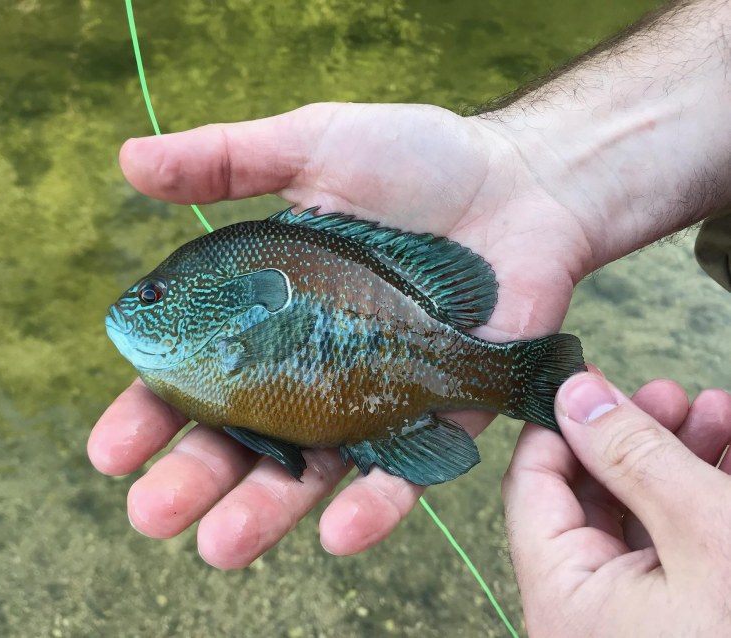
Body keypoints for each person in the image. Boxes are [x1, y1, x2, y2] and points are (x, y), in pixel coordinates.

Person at [88, 0, 731, 632]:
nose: (132, 308)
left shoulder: (215, 329)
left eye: (153, 298)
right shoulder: (209, 343)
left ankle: (522, 381)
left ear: (225, 305)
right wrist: (541, 166)